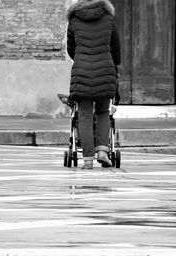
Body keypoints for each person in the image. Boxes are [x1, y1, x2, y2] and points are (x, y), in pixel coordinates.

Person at [66, 0, 121, 169]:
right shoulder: (108, 18)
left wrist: (81, 59)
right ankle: (103, 152)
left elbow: (70, 48)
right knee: (103, 112)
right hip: (105, 70)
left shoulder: (74, 20)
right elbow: (116, 47)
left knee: (84, 116)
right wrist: (115, 64)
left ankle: (88, 159)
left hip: (82, 70)